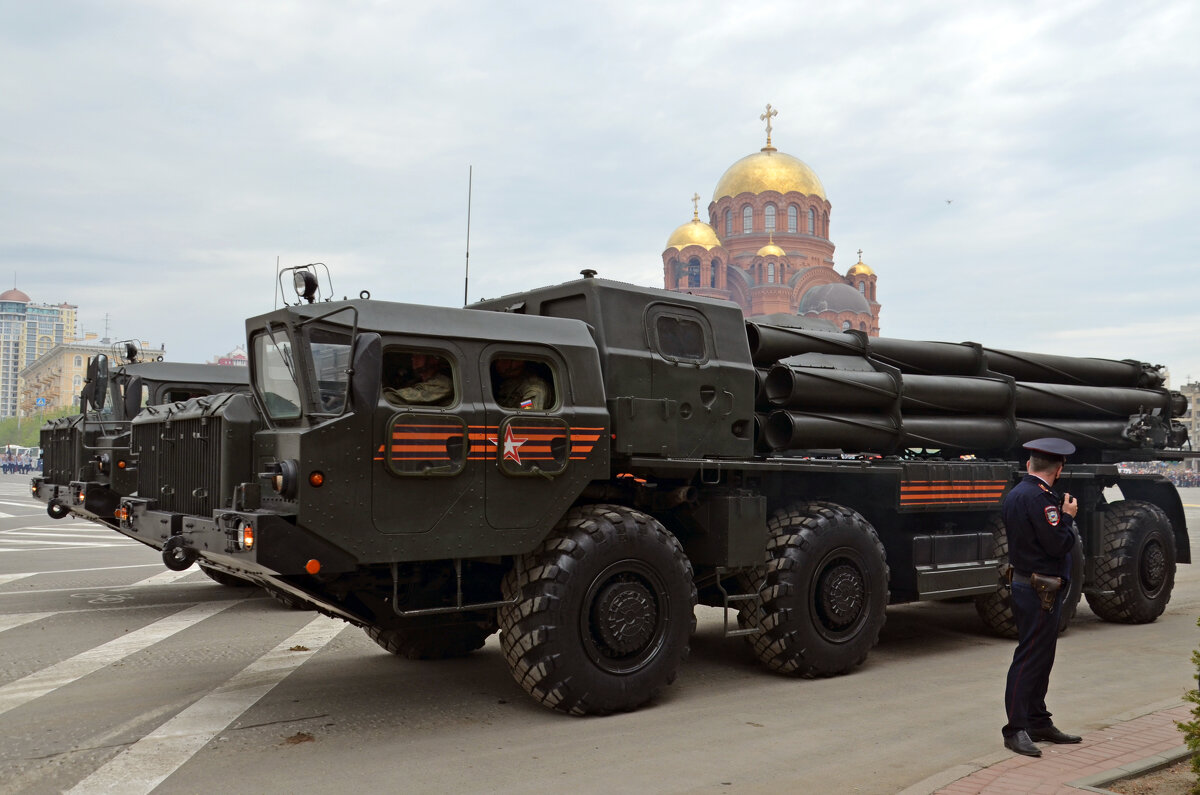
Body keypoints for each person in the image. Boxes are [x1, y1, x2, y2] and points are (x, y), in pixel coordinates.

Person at [1001, 437, 1083, 757]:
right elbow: (1058, 544)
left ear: (1029, 465)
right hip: (1040, 590)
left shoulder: (1017, 494)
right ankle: (1015, 728)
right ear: (1058, 470)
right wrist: (1068, 516)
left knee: (1041, 656)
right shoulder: (1043, 500)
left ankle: (1037, 720)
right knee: (1030, 657)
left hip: (1029, 585)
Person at [385, 353, 453, 406]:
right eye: (413, 355)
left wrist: (382, 396)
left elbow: (409, 397)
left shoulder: (444, 383)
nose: (413, 358)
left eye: (418, 354)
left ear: (433, 358)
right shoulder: (416, 381)